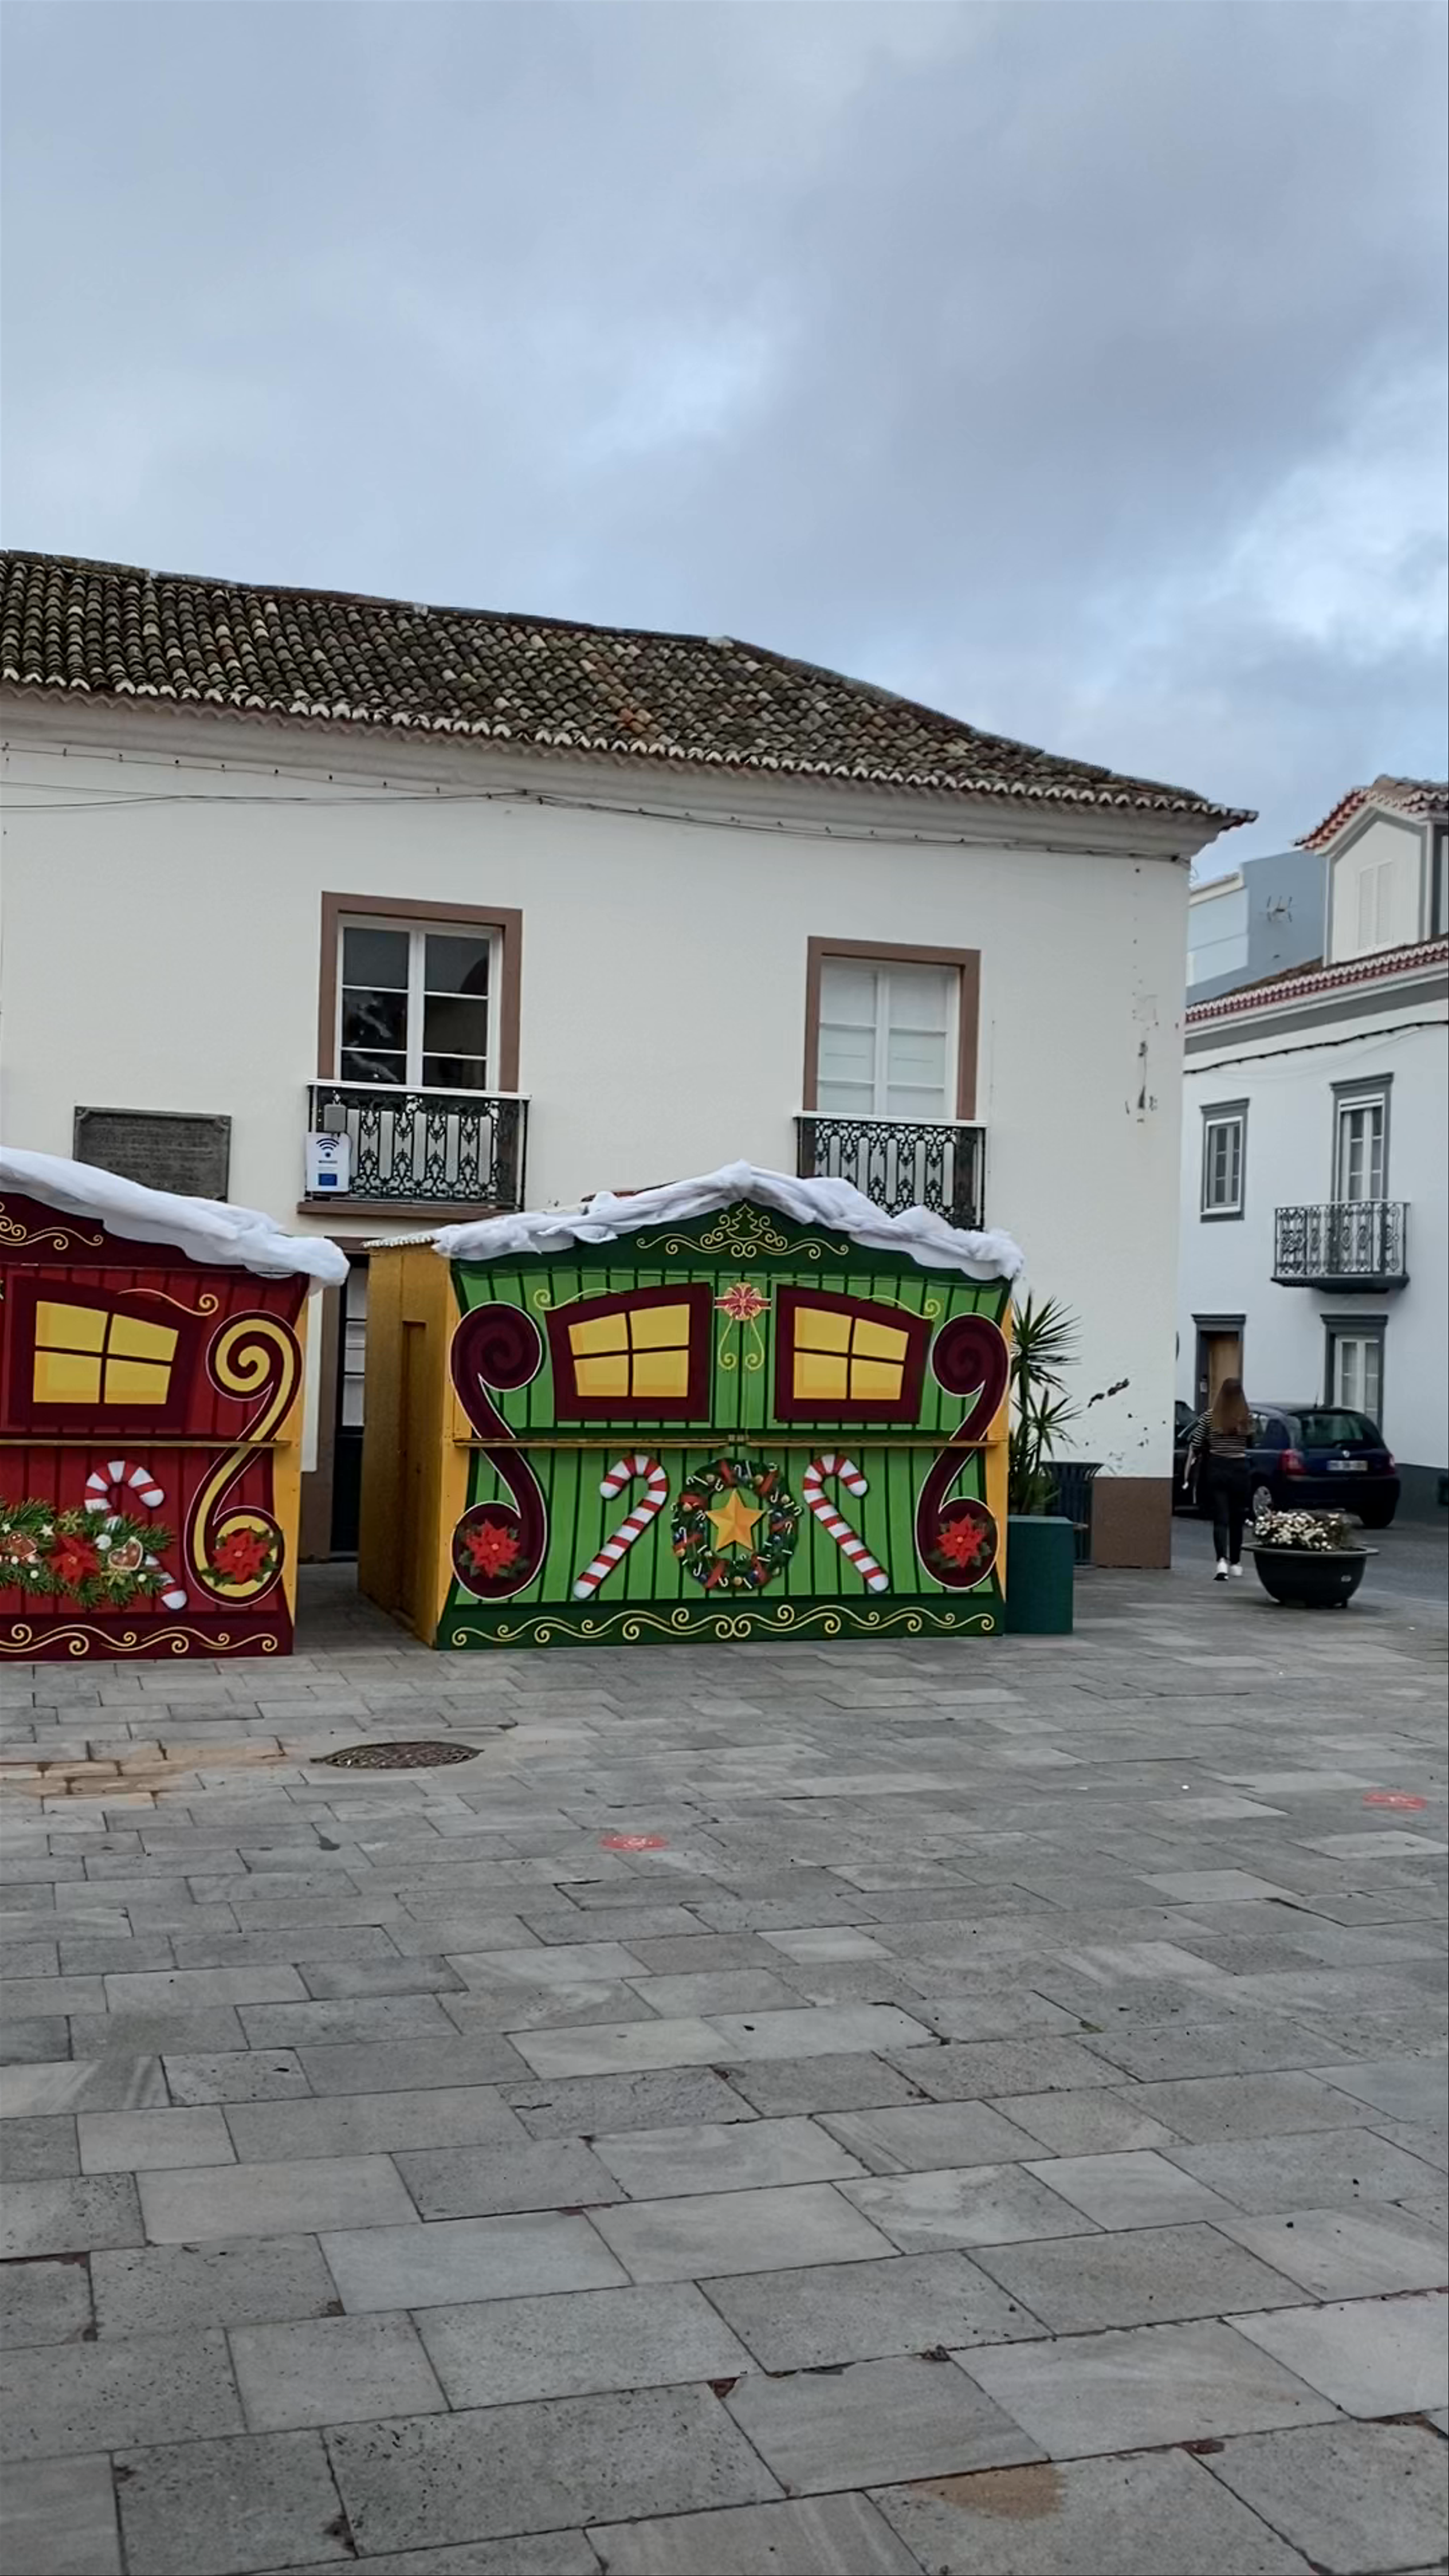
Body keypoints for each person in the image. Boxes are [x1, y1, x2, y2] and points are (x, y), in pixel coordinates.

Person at [1189, 1378, 1254, 1580]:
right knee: (1238, 1518)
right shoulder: (1246, 1417)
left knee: (1221, 1519)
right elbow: (1252, 1442)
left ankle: (1221, 1563)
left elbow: (1196, 1442)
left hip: (1217, 1467)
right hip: (1240, 1469)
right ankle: (1236, 1563)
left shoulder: (1210, 1417)